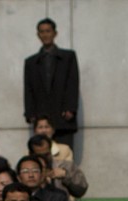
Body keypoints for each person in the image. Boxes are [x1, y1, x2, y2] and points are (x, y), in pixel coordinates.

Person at [23, 18, 80, 146]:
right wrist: (30, 113)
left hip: (63, 116)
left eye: (48, 31)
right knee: (41, 153)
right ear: (38, 35)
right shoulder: (31, 62)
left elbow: (73, 83)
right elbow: (28, 88)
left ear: (55, 33)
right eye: (42, 32)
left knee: (64, 154)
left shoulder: (68, 57)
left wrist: (70, 108)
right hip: (41, 117)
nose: (45, 35)